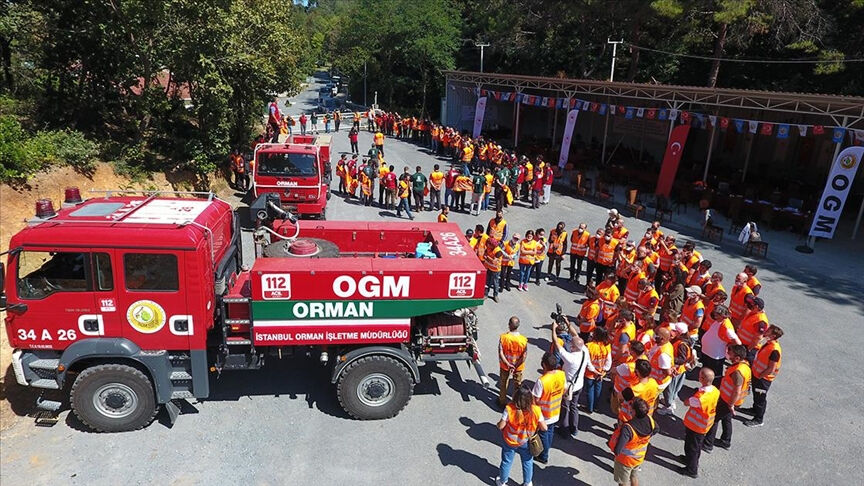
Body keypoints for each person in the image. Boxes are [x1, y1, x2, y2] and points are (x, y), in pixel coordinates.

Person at [552, 317, 595, 439]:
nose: (570, 344)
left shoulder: (570, 358)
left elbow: (556, 343)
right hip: (579, 385)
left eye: (571, 344)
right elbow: (575, 335)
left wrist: (553, 330)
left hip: (568, 387)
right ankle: (574, 428)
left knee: (565, 407)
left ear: (575, 347)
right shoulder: (584, 351)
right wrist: (567, 323)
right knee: (574, 406)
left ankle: (564, 429)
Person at [495, 386, 546, 486]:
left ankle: (502, 481)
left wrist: (498, 424)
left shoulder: (509, 408)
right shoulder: (536, 410)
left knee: (506, 461)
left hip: (510, 441)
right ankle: (527, 483)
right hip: (526, 442)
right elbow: (544, 428)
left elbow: (501, 426)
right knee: (527, 462)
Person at [704, 344, 751, 452]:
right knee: (726, 419)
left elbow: (737, 390)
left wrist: (730, 404)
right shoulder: (744, 365)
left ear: (737, 358)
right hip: (732, 400)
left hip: (728, 400)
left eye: (730, 353)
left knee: (714, 419)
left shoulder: (737, 372)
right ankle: (725, 441)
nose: (728, 354)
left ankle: (708, 444)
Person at [680, 367, 719, 478]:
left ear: (702, 379)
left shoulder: (700, 397)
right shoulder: (715, 390)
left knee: (692, 447)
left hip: (696, 426)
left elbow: (686, 402)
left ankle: (691, 470)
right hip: (704, 424)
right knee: (695, 447)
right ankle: (689, 460)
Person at [608, 397, 657, 486]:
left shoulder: (628, 428)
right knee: (634, 477)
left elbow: (618, 450)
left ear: (634, 411)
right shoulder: (649, 419)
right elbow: (656, 429)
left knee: (622, 482)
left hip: (625, 460)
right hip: (639, 458)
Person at [743, 325, 783, 427]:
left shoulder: (774, 350)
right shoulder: (769, 343)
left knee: (760, 398)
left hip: (763, 379)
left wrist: (760, 376)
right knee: (756, 396)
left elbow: (771, 368)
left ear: (773, 336)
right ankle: (754, 410)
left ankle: (759, 419)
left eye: (768, 331)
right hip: (758, 375)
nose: (766, 331)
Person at [532, 351, 566, 464]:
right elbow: (565, 389)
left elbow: (535, 399)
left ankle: (544, 455)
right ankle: (546, 451)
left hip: (544, 414)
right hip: (555, 411)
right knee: (550, 432)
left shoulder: (542, 381)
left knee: (543, 434)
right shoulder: (561, 374)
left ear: (544, 365)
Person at [700, 306, 741, 383]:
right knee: (706, 373)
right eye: (715, 314)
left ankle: (714, 388)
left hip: (715, 356)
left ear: (723, 315)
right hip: (708, 353)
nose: (715, 317)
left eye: (717, 315)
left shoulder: (726, 326)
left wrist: (729, 347)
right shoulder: (719, 321)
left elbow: (738, 342)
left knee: (715, 377)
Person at [498, 316, 528, 406]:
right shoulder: (523, 340)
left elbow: (501, 353)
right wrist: (515, 365)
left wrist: (508, 364)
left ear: (509, 325)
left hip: (505, 366)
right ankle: (516, 403)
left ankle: (502, 401)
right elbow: (524, 356)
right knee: (517, 385)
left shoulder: (503, 338)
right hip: (518, 367)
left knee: (503, 383)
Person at [583, 327, 611, 414]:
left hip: (590, 373)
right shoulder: (607, 346)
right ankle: (595, 406)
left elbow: (588, 362)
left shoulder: (589, 346)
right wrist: (603, 371)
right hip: (601, 372)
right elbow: (608, 361)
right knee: (598, 389)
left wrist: (595, 371)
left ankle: (589, 408)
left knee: (590, 390)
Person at [484, 238, 503, 303]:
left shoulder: (498, 251)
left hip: (496, 270)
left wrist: (487, 257)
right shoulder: (488, 248)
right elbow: (484, 254)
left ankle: (495, 295)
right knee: (487, 282)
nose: (487, 245)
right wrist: (487, 257)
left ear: (492, 245)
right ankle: (485, 294)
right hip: (488, 268)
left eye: (488, 244)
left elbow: (494, 262)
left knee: (495, 283)